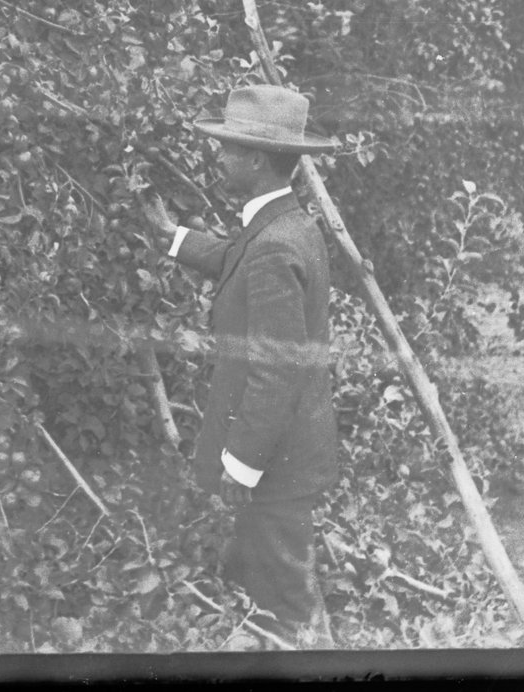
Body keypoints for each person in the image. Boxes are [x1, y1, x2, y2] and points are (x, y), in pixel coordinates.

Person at [145, 84, 340, 650]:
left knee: (288, 610)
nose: (220, 156)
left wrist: (242, 467)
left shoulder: (276, 244)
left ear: (256, 159)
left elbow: (275, 372)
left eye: (228, 148)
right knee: (284, 591)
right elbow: (235, 256)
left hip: (274, 465)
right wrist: (173, 238)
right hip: (289, 457)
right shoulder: (284, 225)